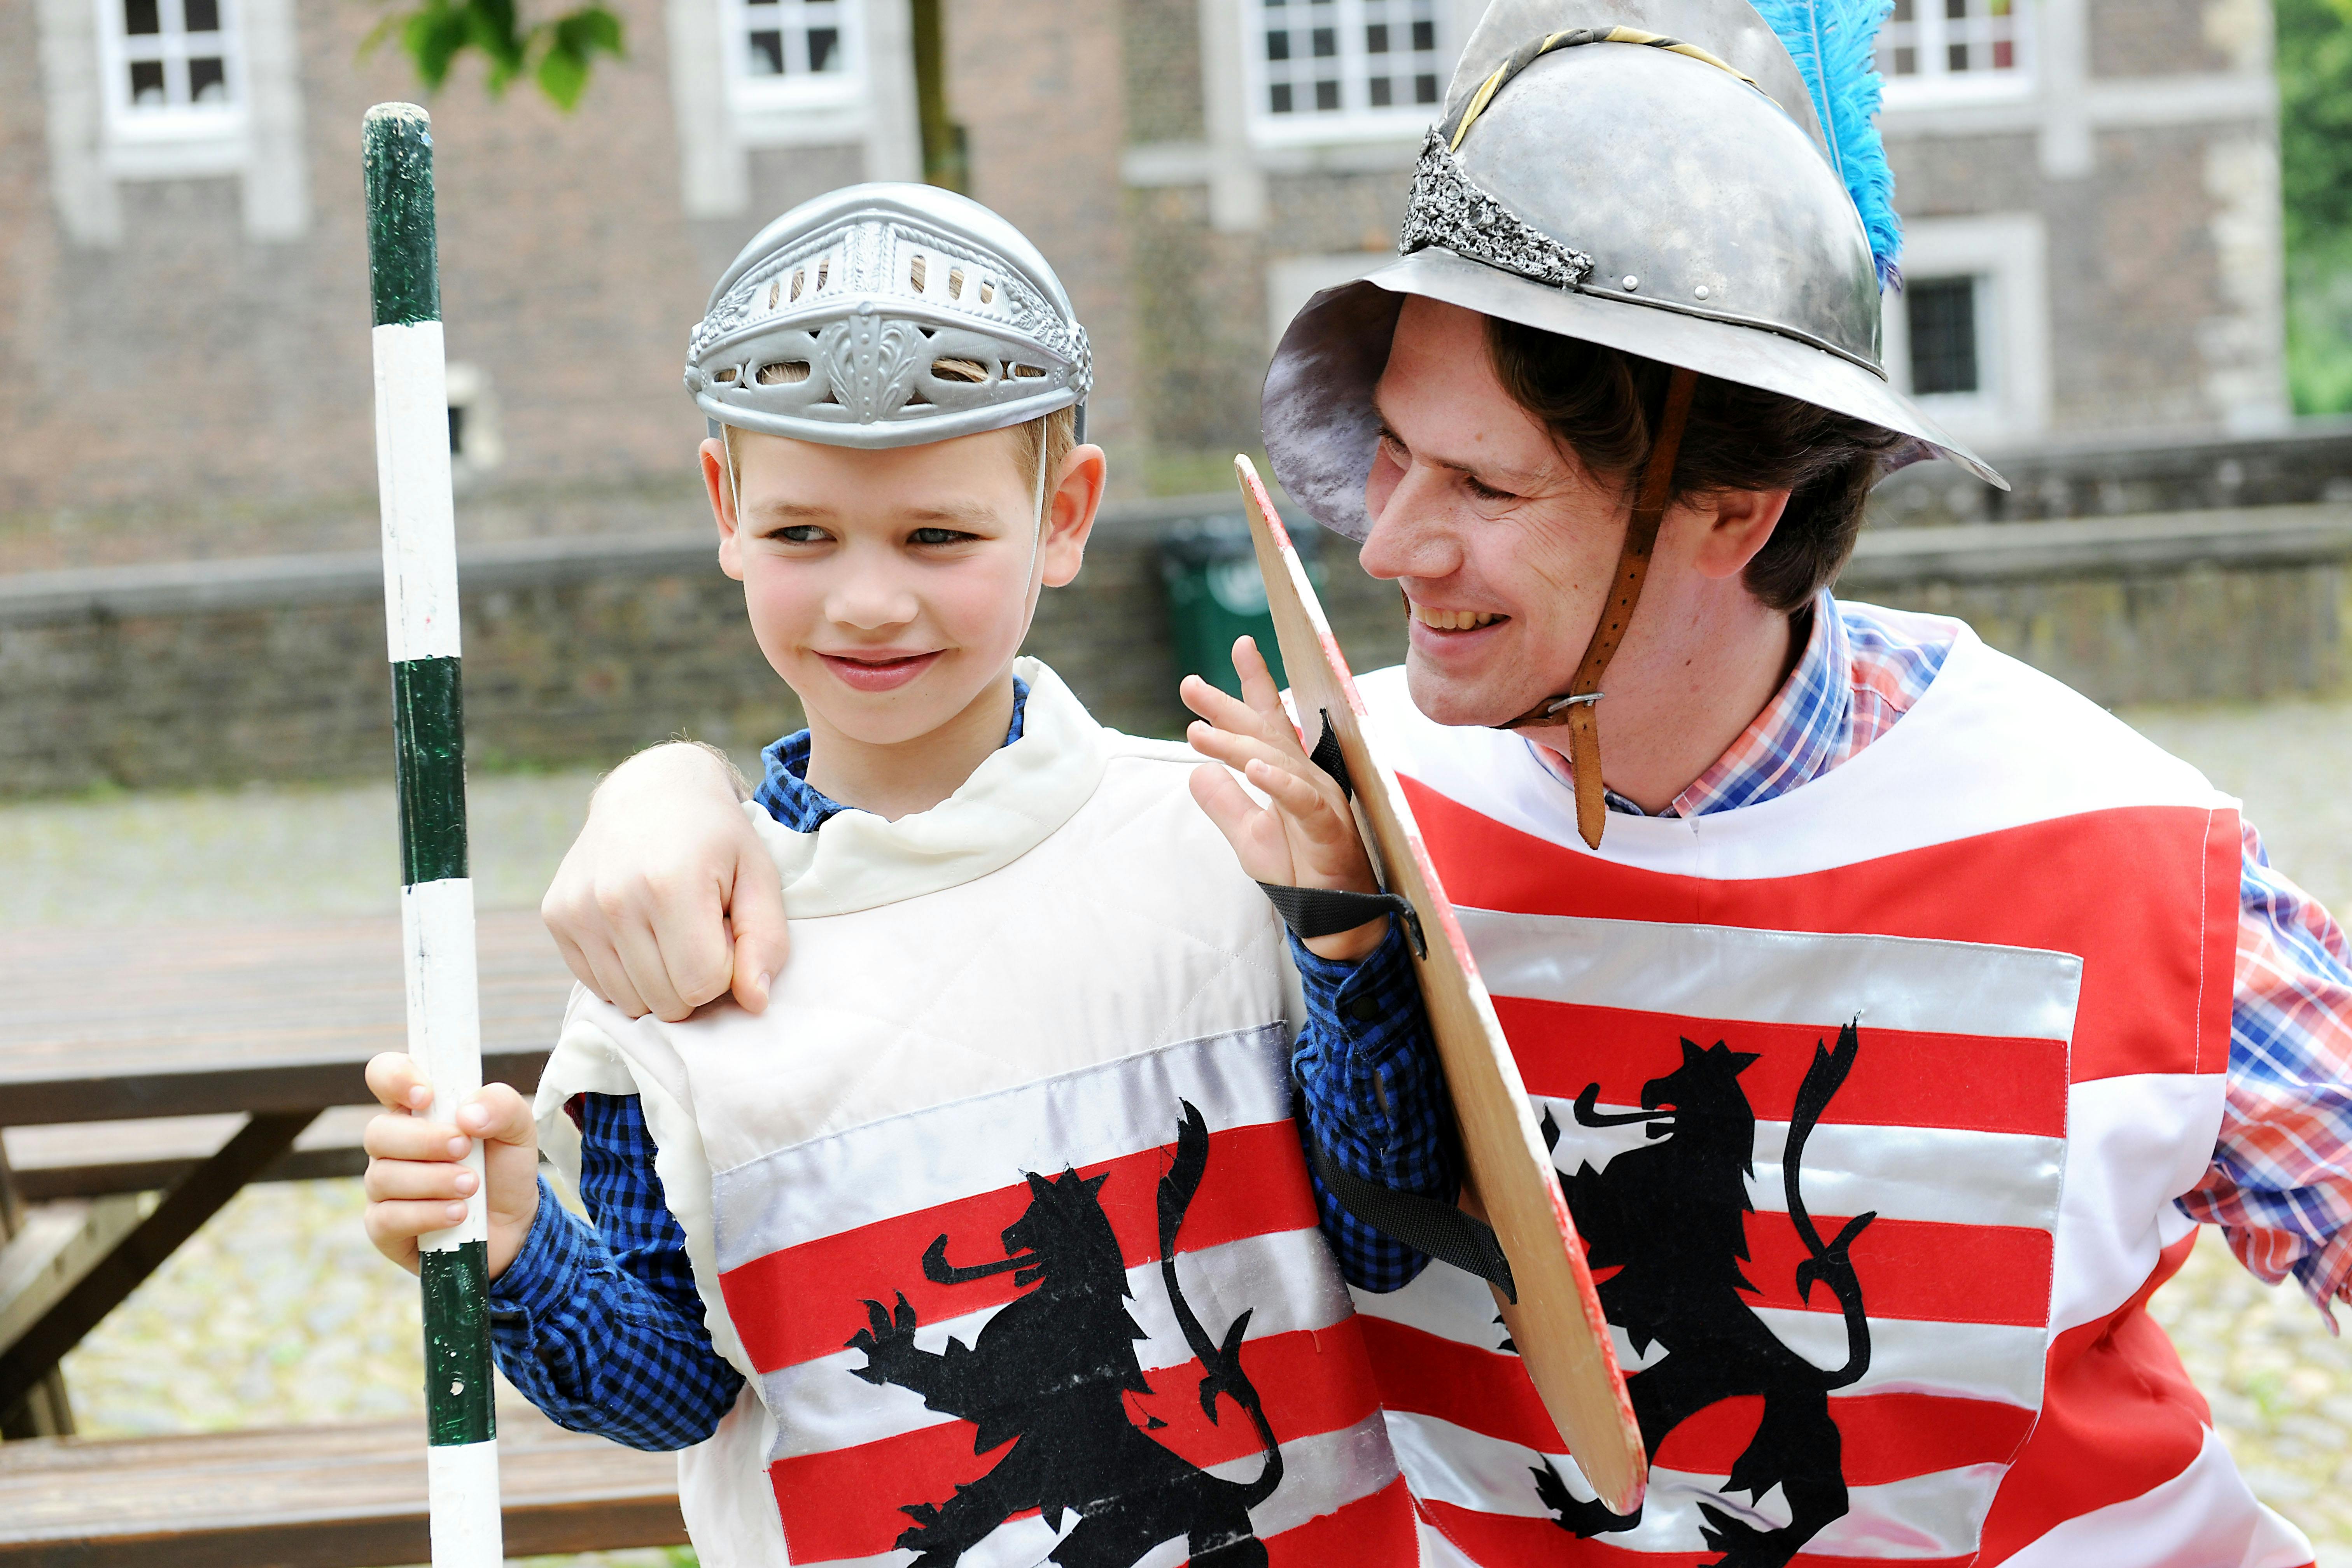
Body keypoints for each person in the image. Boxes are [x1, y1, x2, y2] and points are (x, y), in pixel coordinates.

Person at [537, 7, 2350, 1568]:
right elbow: (958, 857)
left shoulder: (2121, 858)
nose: (1388, 545)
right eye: (1389, 456)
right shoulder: (1323, 807)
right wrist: (679, 788)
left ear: (1730, 510)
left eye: (1480, 487)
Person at [358, 184, 1435, 1566]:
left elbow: (1389, 1235)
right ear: (725, 508)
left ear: (1065, 513)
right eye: (805, 534)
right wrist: (516, 1244)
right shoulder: (661, 966)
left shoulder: (1232, 843)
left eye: (938, 536)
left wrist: (1342, 945)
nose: (870, 600)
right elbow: (673, 1385)